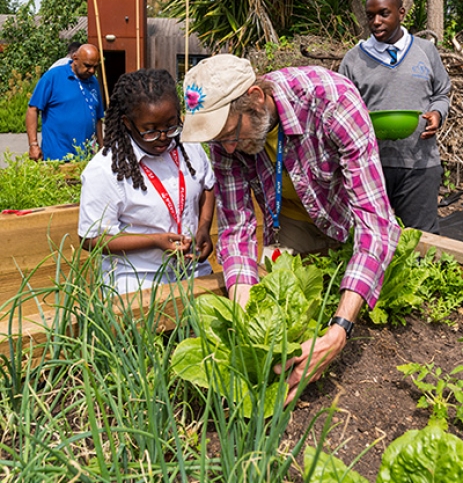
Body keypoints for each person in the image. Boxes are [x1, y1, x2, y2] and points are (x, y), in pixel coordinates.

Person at [181, 54, 401, 402]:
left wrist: (339, 329)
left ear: (255, 97)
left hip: (345, 218)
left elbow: (374, 222)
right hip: (290, 221)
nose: (227, 148)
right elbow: (236, 227)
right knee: (286, 300)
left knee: (348, 290)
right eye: (217, 140)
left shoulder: (332, 101)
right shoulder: (226, 139)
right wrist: (245, 318)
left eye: (229, 135)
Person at [78, 68, 215, 294]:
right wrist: (154, 241)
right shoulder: (105, 170)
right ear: (128, 123)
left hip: (191, 269)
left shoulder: (188, 147)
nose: (163, 137)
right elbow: (91, 239)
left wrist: (203, 227)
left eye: (171, 126)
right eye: (150, 131)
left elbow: (207, 187)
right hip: (137, 278)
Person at [339, 0, 451, 234]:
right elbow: (342, 110)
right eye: (370, 16)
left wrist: (437, 114)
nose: (376, 22)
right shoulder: (354, 59)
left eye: (383, 13)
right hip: (369, 166)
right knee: (371, 238)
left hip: (420, 164)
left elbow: (441, 93)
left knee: (422, 242)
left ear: (401, 13)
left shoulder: (426, 51)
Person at [26, 43, 104, 161]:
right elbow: (33, 109)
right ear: (75, 59)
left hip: (87, 157)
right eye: (87, 66)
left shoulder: (93, 82)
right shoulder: (53, 77)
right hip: (57, 157)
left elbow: (98, 118)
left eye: (95, 66)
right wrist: (33, 145)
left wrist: (101, 148)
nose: (92, 70)